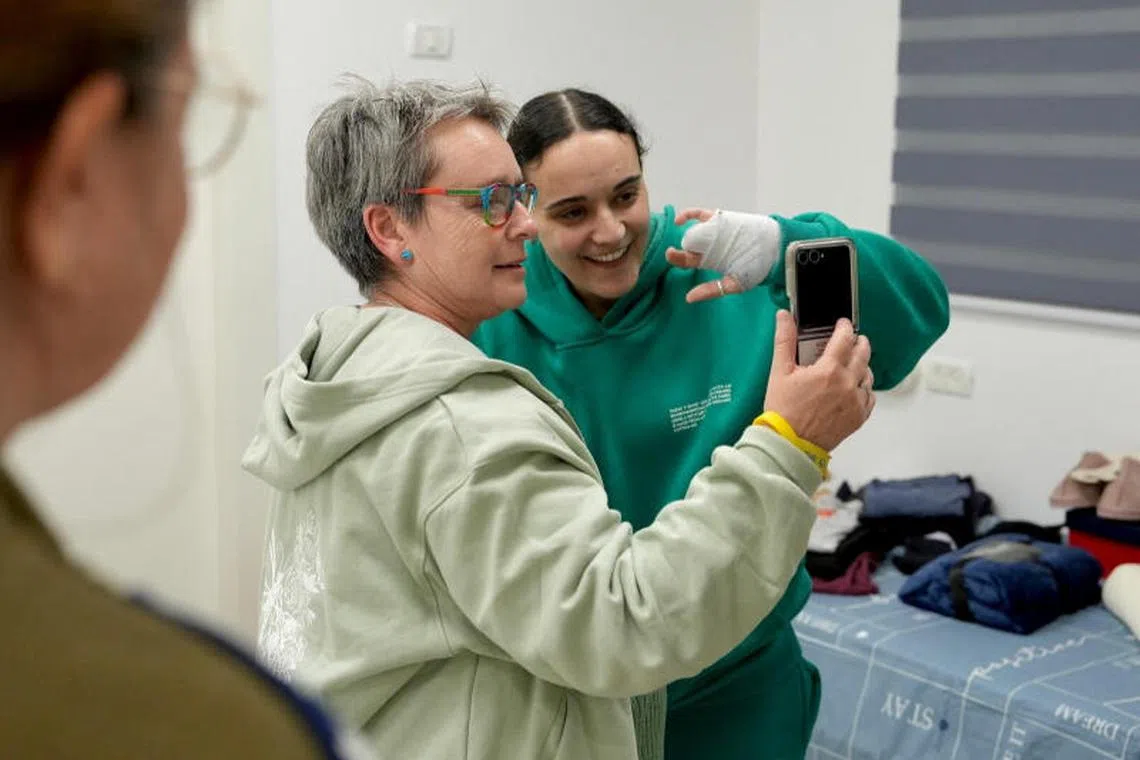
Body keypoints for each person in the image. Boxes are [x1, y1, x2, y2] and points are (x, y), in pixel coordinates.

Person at [244, 76, 878, 760]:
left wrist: (786, 236)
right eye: (492, 201)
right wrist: (789, 443)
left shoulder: (343, 375)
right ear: (389, 227)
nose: (525, 222)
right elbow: (628, 622)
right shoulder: (459, 425)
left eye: (519, 195)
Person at [471, 87, 952, 760]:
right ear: (526, 214)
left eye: (626, 195)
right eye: (573, 211)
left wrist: (788, 242)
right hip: (572, 691)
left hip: (737, 681)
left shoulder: (722, 268)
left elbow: (921, 311)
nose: (609, 230)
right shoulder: (493, 315)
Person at [0, 3, 373, 757]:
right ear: (72, 177)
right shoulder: (186, 728)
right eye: (186, 112)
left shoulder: (315, 377)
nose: (521, 225)